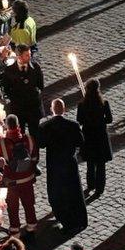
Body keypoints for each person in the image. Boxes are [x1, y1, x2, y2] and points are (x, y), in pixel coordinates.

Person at [38, 98, 87, 234]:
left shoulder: (45, 126)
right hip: (69, 163)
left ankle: (63, 218)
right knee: (73, 191)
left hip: (54, 165)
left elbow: (41, 144)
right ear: (64, 109)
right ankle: (78, 219)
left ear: (52, 110)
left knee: (57, 192)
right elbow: (80, 142)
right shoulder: (73, 125)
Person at [0, 114, 38, 238]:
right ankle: (31, 229)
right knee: (29, 204)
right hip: (27, 179)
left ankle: (15, 232)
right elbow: (34, 158)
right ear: (18, 125)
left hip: (11, 181)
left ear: (6, 126)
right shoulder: (28, 138)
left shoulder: (1, 143)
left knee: (13, 208)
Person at [77, 79, 112, 199]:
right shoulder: (104, 103)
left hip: (88, 136)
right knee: (101, 164)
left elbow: (79, 120)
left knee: (90, 163)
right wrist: (100, 121)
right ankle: (99, 188)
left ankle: (91, 184)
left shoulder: (82, 104)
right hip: (100, 136)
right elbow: (109, 119)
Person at [2, 44, 44, 142]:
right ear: (19, 56)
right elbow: (6, 89)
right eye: (27, 55)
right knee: (20, 135)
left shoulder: (36, 67)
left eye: (29, 54)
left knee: (35, 135)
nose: (30, 57)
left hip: (33, 107)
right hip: (18, 109)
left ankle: (35, 155)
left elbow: (40, 86)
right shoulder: (9, 71)